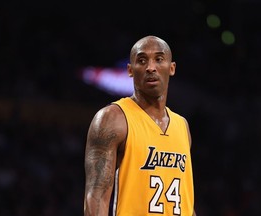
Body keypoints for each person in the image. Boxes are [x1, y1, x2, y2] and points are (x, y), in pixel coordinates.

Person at [84, 35, 196, 216]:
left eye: (159, 59)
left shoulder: (182, 126)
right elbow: (96, 196)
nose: (151, 67)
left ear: (172, 68)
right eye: (142, 60)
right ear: (130, 70)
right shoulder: (112, 118)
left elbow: (187, 202)